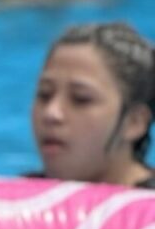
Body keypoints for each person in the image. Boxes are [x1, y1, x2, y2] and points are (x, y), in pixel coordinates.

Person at [30, 21, 155, 187]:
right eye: (44, 95)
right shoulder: (11, 200)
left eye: (81, 99)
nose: (51, 113)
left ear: (134, 122)